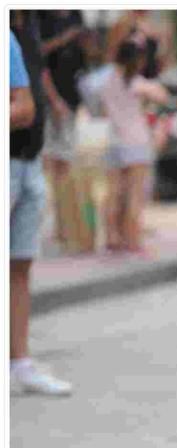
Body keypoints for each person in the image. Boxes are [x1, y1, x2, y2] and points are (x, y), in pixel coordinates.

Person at [10, 11, 72, 396]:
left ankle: (20, 362)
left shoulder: (28, 27)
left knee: (20, 265)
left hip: (29, 161)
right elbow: (22, 105)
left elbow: (33, 89)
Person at [99, 38, 170, 254]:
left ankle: (112, 236)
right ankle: (133, 240)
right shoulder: (137, 82)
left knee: (114, 193)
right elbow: (163, 96)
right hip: (137, 143)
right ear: (139, 60)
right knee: (135, 195)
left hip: (113, 141)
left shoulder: (107, 80)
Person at [38, 10, 85, 245]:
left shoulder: (76, 15)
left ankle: (63, 223)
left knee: (65, 162)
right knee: (47, 161)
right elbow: (38, 60)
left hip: (71, 100)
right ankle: (47, 223)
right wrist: (54, 99)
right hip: (50, 103)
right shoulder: (41, 18)